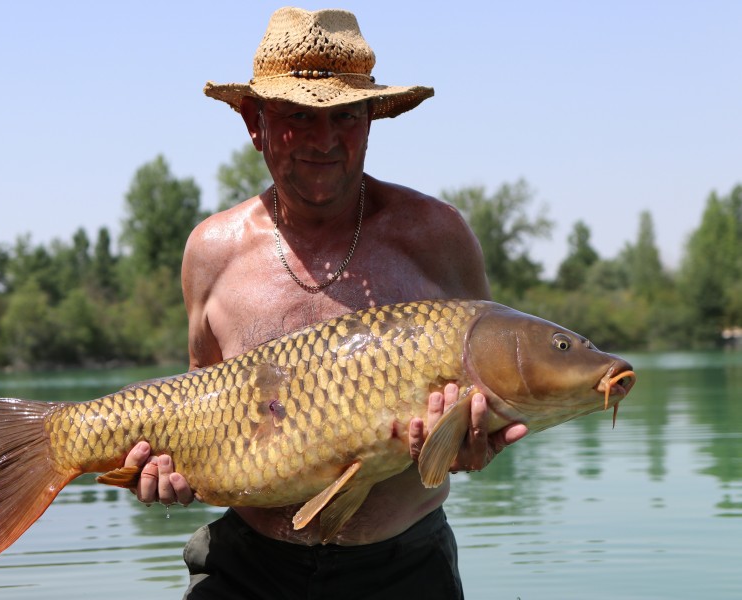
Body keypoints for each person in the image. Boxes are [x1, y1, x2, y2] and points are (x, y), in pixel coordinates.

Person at [123, 7, 528, 598]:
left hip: (404, 567)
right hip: (247, 567)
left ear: (371, 119)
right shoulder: (211, 251)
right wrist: (164, 469)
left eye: (346, 116)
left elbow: (485, 390)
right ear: (253, 122)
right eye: (296, 117)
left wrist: (466, 445)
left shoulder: (438, 236)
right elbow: (201, 398)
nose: (324, 140)